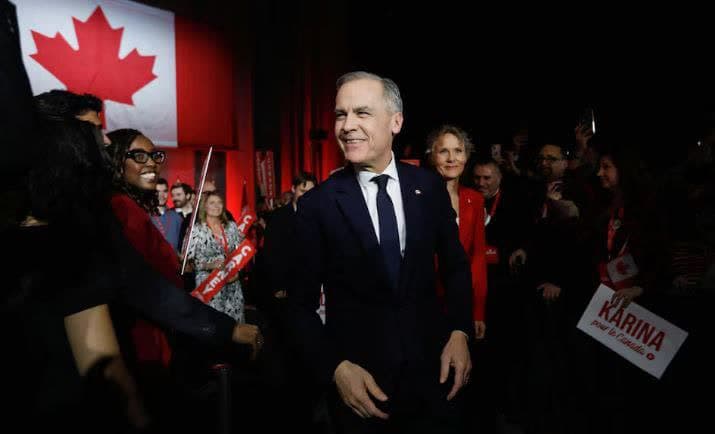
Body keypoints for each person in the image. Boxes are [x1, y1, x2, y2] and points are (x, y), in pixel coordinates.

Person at [288, 71, 473, 433]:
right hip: (362, 388)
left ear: (396, 122)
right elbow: (298, 305)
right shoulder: (317, 205)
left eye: (362, 113)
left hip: (434, 377)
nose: (347, 126)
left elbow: (455, 267)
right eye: (341, 115)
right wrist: (335, 368)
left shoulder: (429, 188)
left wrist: (459, 332)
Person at [426, 125, 488, 339]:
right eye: (444, 151)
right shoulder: (419, 196)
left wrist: (478, 310)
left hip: (461, 301)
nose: (452, 158)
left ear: (466, 156)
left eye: (458, 151)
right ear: (432, 156)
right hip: (425, 300)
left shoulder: (475, 199)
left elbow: (478, 257)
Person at [187, 191, 246, 322]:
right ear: (205, 206)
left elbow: (241, 253)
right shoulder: (196, 230)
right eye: (212, 203)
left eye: (219, 202)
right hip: (209, 286)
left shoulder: (231, 226)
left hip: (232, 284)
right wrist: (209, 265)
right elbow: (188, 263)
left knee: (235, 323)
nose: (216, 206)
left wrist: (238, 272)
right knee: (214, 324)